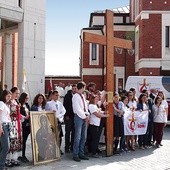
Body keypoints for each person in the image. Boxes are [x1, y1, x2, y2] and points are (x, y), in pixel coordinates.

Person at [72, 81, 90, 162]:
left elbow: (85, 107)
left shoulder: (82, 96)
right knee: (78, 136)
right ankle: (75, 154)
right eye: (84, 87)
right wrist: (84, 116)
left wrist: (87, 114)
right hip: (79, 117)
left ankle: (81, 153)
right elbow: (77, 109)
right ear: (82, 87)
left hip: (84, 116)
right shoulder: (75, 96)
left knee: (84, 136)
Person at [45, 90, 66, 155]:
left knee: (59, 136)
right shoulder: (49, 103)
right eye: (56, 95)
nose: (57, 97)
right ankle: (52, 150)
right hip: (52, 122)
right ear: (53, 95)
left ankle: (58, 149)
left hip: (58, 121)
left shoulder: (60, 103)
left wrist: (59, 117)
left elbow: (63, 111)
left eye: (58, 95)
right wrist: (51, 113)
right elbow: (46, 112)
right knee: (52, 136)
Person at [6, 87, 21, 167]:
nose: (17, 95)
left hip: (17, 123)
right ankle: (8, 159)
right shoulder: (8, 103)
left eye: (18, 93)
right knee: (11, 141)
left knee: (15, 141)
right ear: (12, 93)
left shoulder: (15, 101)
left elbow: (18, 114)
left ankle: (14, 158)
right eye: (16, 93)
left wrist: (23, 117)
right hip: (11, 123)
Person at [0, 90, 12, 170]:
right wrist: (0, 127)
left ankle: (1, 164)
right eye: (8, 96)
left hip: (7, 126)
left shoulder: (5, 104)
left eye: (10, 96)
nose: (9, 98)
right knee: (6, 147)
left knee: (2, 147)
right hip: (3, 126)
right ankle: (1, 166)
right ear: (4, 95)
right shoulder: (1, 103)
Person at [63, 84, 77, 153]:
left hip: (75, 117)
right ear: (72, 89)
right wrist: (66, 115)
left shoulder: (77, 96)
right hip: (68, 117)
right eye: (73, 88)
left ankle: (72, 147)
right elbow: (65, 106)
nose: (74, 90)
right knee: (68, 132)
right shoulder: (67, 96)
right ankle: (66, 147)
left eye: (75, 88)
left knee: (74, 132)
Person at [18, 92, 30, 163]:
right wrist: (24, 117)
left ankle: (23, 155)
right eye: (26, 98)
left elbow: (29, 112)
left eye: (28, 98)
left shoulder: (27, 105)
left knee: (24, 141)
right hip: (22, 125)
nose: (27, 99)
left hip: (27, 125)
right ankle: (22, 155)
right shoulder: (19, 105)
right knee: (22, 141)